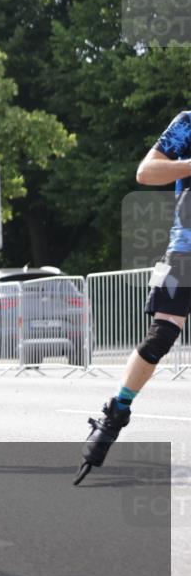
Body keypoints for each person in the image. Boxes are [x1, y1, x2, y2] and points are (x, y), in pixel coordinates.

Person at [74, 110, 191, 485]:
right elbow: (146, 171)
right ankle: (115, 412)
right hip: (186, 253)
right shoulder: (187, 123)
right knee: (162, 335)